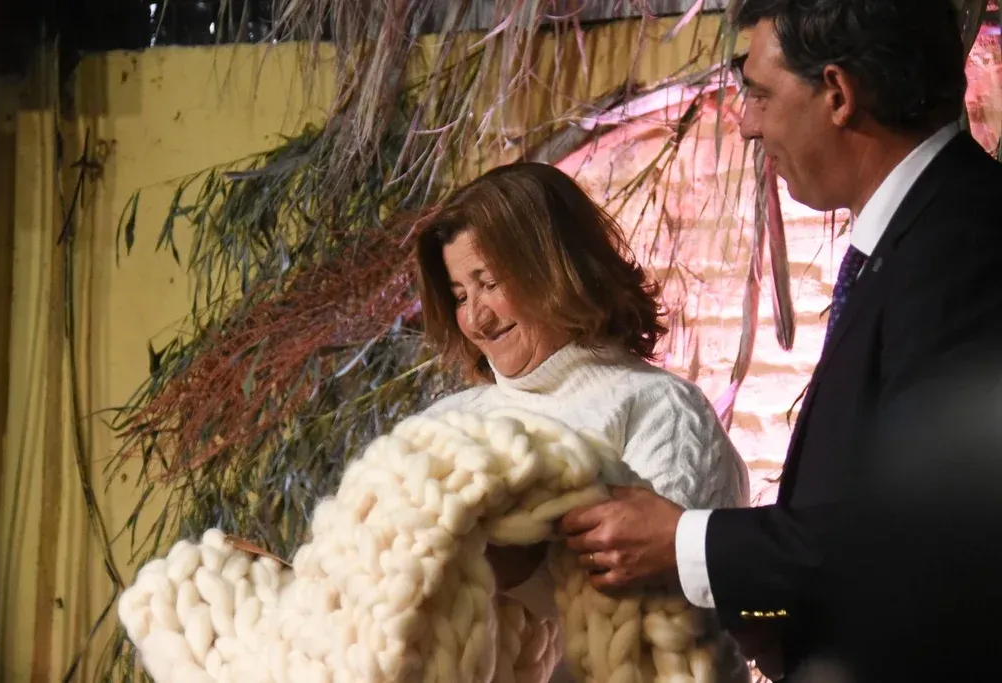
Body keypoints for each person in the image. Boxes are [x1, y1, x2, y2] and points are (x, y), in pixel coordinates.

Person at [556, 0, 1002, 680]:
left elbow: (935, 534)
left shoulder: (968, 242)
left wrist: (684, 542)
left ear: (838, 94)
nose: (746, 124)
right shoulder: (915, 236)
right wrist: (774, 619)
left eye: (760, 95)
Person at [412, 161, 751, 681]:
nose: (476, 318)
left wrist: (514, 567)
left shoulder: (662, 411)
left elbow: (662, 620)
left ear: (555, 266)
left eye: (490, 283)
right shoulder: (446, 423)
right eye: (460, 296)